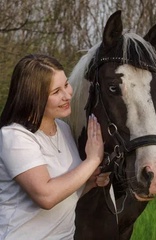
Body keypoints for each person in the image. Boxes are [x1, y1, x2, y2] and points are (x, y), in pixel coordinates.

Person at [0, 54, 110, 240]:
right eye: (56, 91)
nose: (67, 95)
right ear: (33, 96)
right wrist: (92, 160)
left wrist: (89, 180)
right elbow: (47, 196)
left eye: (66, 85)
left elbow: (65, 194)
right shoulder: (15, 137)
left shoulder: (63, 129)